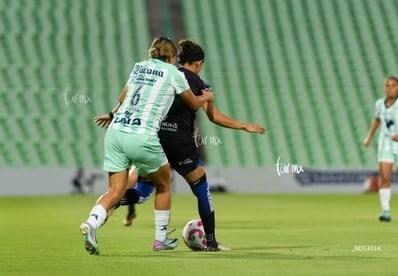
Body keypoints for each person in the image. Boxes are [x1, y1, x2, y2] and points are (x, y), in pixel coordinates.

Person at [121, 39, 265, 251]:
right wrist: (244, 126)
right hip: (180, 143)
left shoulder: (167, 74)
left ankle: (112, 202)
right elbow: (214, 117)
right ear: (199, 63)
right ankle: (212, 243)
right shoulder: (200, 84)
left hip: (155, 139)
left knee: (143, 192)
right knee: (201, 189)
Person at [79, 37, 214, 255]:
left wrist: (112, 114)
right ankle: (160, 239)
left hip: (115, 132)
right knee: (163, 185)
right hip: (142, 136)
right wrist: (206, 95)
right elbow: (193, 103)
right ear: (171, 58)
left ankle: (91, 224)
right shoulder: (174, 73)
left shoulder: (139, 67)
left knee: (115, 190)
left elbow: (124, 95)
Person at [364, 76, 398, 222]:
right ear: (384, 87)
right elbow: (377, 119)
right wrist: (369, 137)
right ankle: (386, 210)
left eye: (393, 85)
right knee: (385, 177)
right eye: (387, 85)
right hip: (385, 143)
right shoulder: (379, 104)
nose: (390, 88)